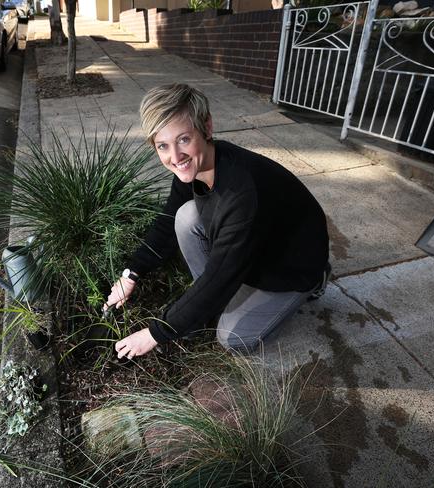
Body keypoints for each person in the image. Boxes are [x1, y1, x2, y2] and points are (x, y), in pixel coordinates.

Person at [104, 84, 330, 360]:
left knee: (231, 337)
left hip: (291, 267)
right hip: (253, 250)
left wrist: (155, 333)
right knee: (184, 216)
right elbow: (166, 225)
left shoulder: (240, 193)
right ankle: (209, 305)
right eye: (163, 145)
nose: (175, 157)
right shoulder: (195, 167)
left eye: (184, 139)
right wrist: (131, 274)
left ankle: (317, 281)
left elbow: (220, 276)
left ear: (207, 128)